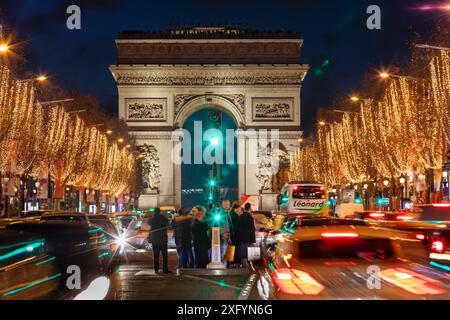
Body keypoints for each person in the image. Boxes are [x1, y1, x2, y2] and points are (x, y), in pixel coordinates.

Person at [147, 208, 170, 273]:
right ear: (160, 212)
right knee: (164, 255)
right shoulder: (163, 219)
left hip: (155, 240)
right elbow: (168, 223)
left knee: (156, 255)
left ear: (154, 212)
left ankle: (156, 269)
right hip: (163, 239)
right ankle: (165, 269)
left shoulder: (152, 219)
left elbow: (148, 222)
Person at [236, 202, 256, 268]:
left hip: (241, 240)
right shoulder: (250, 217)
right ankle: (249, 267)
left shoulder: (240, 217)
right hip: (248, 239)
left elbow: (238, 229)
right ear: (250, 208)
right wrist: (253, 240)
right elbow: (252, 229)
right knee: (249, 254)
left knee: (243, 255)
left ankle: (244, 266)